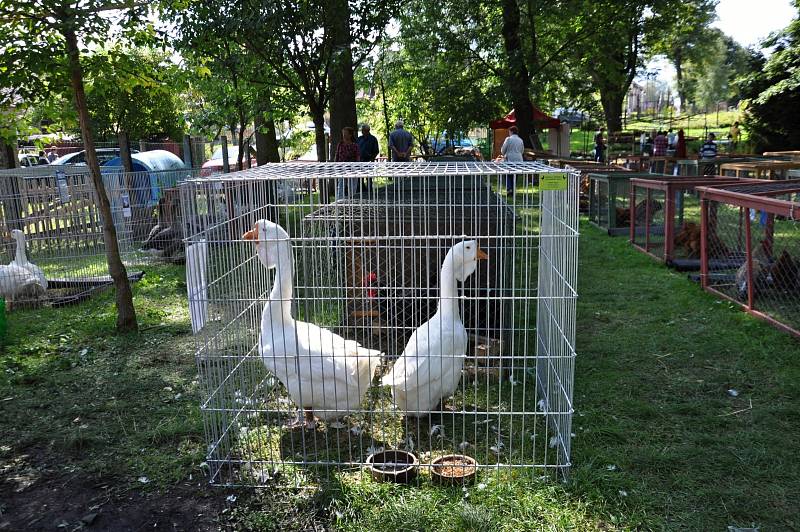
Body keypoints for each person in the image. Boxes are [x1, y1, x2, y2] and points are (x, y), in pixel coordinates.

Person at [334, 126, 360, 199]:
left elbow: (357, 156)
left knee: (352, 186)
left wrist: (356, 167)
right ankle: (339, 201)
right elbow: (337, 155)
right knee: (341, 185)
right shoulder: (340, 144)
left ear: (350, 135)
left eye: (345, 133)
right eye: (343, 133)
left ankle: (352, 201)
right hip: (341, 168)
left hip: (352, 168)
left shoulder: (355, 145)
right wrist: (335, 164)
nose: (344, 135)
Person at [500, 125, 524, 196]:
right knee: (515, 175)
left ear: (511, 131)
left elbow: (503, 150)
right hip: (519, 159)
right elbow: (522, 151)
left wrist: (504, 153)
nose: (509, 133)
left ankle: (509, 188)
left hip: (509, 159)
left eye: (509, 131)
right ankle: (513, 190)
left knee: (507, 173)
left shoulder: (508, 139)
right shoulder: (520, 140)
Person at [356, 124, 379, 192]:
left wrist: (372, 158)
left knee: (369, 177)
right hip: (360, 161)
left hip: (369, 161)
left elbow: (376, 151)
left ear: (367, 130)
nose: (362, 131)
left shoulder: (373, 139)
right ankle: (361, 190)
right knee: (360, 178)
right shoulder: (359, 139)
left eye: (363, 130)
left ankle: (369, 191)